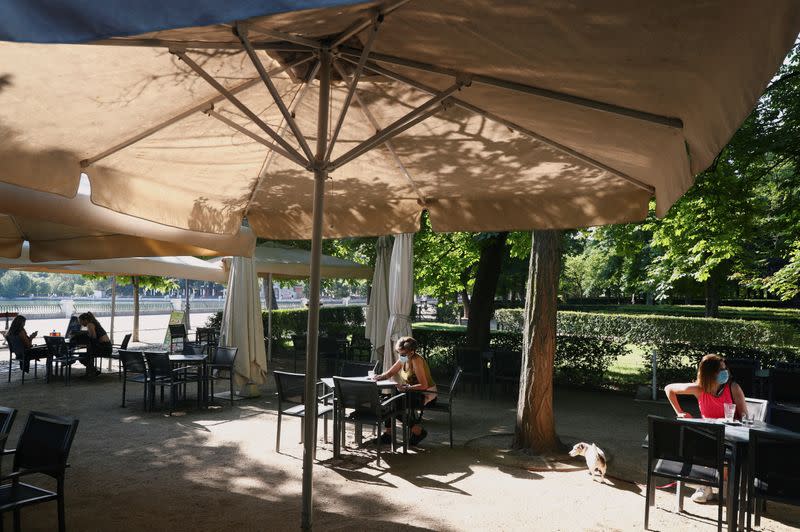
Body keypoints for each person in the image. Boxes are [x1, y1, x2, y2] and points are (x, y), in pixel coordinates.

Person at [664, 354, 748, 503]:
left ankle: (725, 486)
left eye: (725, 368)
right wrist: (679, 412)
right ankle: (705, 486)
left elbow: (745, 416)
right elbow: (669, 388)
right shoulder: (699, 389)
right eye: (721, 369)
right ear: (709, 373)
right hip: (708, 433)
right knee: (694, 443)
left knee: (722, 449)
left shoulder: (733, 387)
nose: (725, 372)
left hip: (731, 436)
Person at [371, 336, 437, 446]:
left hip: (426, 394)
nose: (400, 357)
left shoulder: (416, 360)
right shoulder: (405, 357)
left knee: (393, 405)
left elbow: (424, 385)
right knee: (389, 400)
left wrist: (406, 388)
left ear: (412, 352)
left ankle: (416, 432)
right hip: (412, 391)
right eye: (399, 353)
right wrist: (379, 377)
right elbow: (389, 373)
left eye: (403, 354)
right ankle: (391, 434)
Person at [75, 312, 110, 376]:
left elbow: (94, 338)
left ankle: (92, 371)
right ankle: (92, 371)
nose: (80, 323)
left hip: (104, 348)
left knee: (83, 356)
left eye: (80, 321)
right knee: (85, 354)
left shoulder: (90, 325)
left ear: (85, 320)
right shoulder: (94, 323)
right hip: (106, 347)